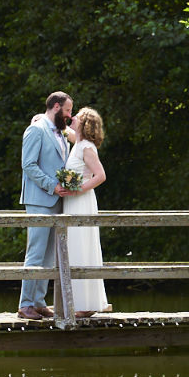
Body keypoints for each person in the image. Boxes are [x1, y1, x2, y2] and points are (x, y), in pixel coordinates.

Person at [18, 91, 75, 319]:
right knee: (35, 252)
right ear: (56, 106)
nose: (70, 115)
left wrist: (69, 184)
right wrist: (52, 186)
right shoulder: (36, 129)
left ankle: (39, 302)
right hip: (39, 199)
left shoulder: (61, 132)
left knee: (50, 255)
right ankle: (25, 304)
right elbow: (28, 165)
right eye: (68, 110)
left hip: (58, 199)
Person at [62, 107, 111, 316]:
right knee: (73, 248)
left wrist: (77, 189)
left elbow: (100, 176)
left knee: (82, 246)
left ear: (85, 124)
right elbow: (65, 130)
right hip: (73, 202)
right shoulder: (79, 143)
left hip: (81, 201)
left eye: (78, 117)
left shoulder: (87, 147)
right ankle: (79, 302)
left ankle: (87, 305)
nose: (73, 118)